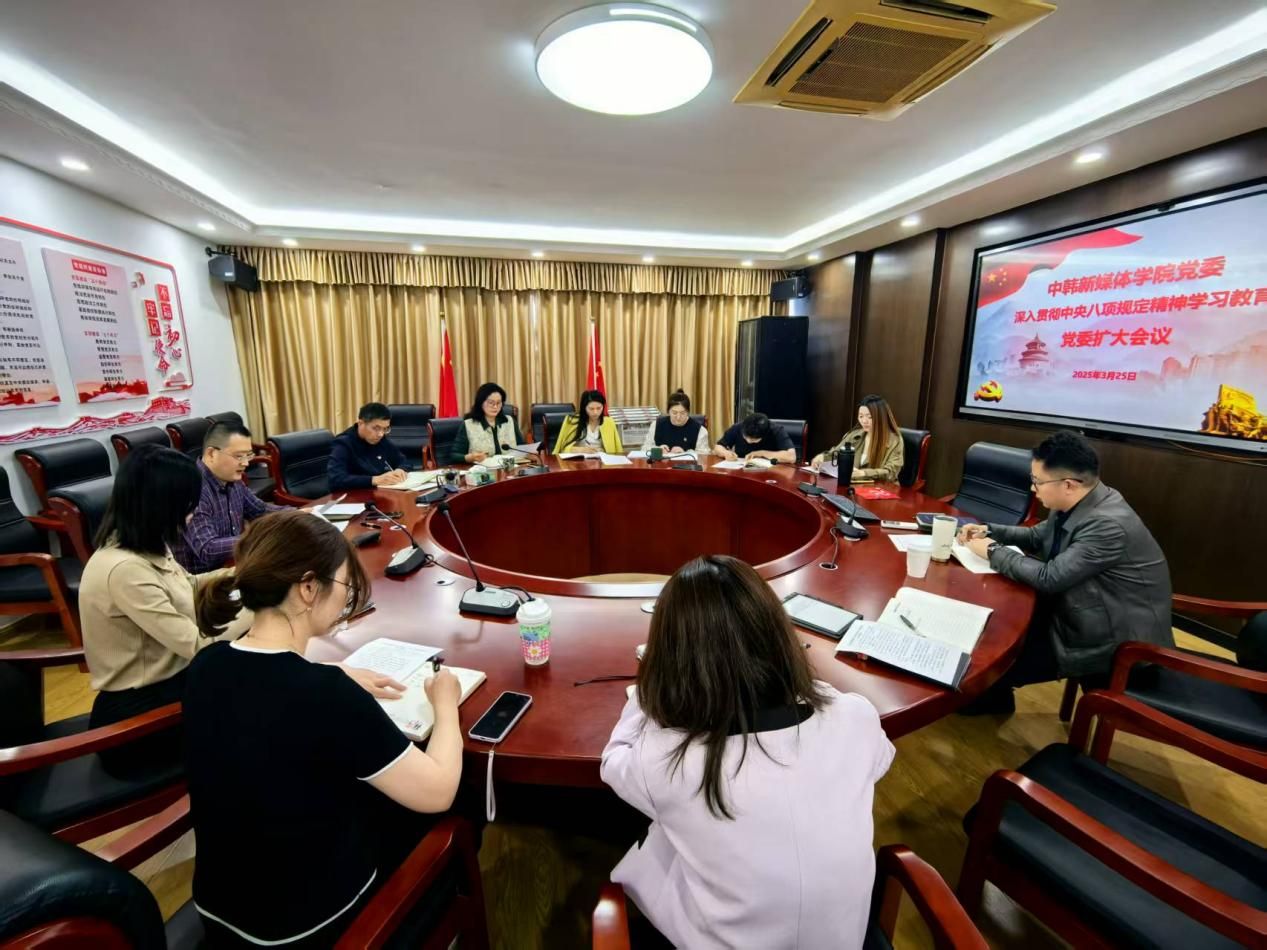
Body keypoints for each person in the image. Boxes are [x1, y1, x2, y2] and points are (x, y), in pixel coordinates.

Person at [185, 509, 465, 947]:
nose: (345, 599)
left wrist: (333, 672)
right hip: (310, 928)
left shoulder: (207, 665)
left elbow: (266, 707)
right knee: (458, 807)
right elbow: (437, 792)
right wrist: (445, 705)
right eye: (344, 586)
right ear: (309, 587)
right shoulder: (326, 695)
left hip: (221, 911)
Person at [601, 556, 894, 949]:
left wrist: (648, 687)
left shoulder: (666, 761)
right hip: (844, 939)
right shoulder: (855, 717)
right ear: (780, 637)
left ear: (670, 660)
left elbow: (614, 759)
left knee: (664, 842)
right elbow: (872, 758)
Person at [956, 430, 1173, 714]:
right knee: (998, 626)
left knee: (993, 660)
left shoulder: (1108, 524)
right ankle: (992, 695)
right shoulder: (1081, 500)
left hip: (1114, 641)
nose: (1032, 488)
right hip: (1084, 610)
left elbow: (1049, 578)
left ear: (1068, 484)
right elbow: (1038, 536)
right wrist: (990, 530)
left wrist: (992, 550)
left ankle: (994, 698)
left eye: (1037, 481)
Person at [173, 421, 286, 573]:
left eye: (248, 455)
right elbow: (208, 549)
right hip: (203, 580)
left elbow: (260, 510)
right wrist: (257, 537)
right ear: (212, 454)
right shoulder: (193, 489)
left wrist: (299, 513)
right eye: (239, 456)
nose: (246, 463)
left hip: (234, 565)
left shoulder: (232, 479)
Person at [812, 395, 904, 483]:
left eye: (870, 417)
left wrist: (863, 473)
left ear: (881, 418)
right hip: (854, 486)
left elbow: (891, 472)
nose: (864, 421)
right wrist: (822, 458)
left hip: (880, 489)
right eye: (861, 416)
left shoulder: (895, 440)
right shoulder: (854, 435)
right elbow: (836, 454)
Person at [328, 402, 408, 491]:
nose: (381, 434)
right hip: (352, 495)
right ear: (361, 423)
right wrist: (374, 480)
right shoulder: (343, 443)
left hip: (376, 492)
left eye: (385, 429)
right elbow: (336, 479)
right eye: (376, 428)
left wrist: (400, 469)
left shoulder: (380, 439)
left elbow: (402, 459)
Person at [449, 381, 526, 464]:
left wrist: (529, 454)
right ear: (481, 403)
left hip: (509, 469)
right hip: (482, 470)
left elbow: (522, 447)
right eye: (491, 403)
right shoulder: (469, 425)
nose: (495, 406)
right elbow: (454, 455)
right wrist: (470, 457)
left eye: (498, 403)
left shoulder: (509, 421)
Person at [552, 389, 623, 455]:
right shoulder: (571, 421)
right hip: (578, 461)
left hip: (603, 460)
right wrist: (580, 450)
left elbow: (618, 450)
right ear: (584, 408)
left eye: (599, 408)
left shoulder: (609, 422)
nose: (595, 412)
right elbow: (562, 449)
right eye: (591, 409)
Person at [639, 389, 710, 455]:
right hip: (660, 464)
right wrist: (657, 450)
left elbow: (705, 455)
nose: (678, 417)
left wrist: (685, 453)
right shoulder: (656, 425)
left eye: (682, 413)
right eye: (674, 413)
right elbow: (644, 449)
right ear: (668, 411)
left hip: (687, 464)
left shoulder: (700, 430)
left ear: (688, 412)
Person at [714, 413, 796, 463]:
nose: (748, 441)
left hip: (770, 473)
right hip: (741, 470)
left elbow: (791, 457)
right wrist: (725, 453)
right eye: (745, 437)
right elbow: (718, 447)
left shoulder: (776, 430)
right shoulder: (738, 427)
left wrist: (761, 453)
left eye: (753, 440)